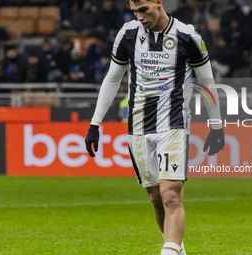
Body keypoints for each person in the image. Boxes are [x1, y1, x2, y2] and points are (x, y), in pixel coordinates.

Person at [85, 0, 225, 254]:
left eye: (144, 9)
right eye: (135, 11)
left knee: (171, 195)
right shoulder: (127, 34)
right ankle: (177, 249)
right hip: (138, 125)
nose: (139, 16)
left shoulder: (187, 36)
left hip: (173, 123)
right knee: (155, 198)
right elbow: (113, 79)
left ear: (158, 3)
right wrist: (95, 123)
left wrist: (216, 126)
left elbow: (206, 81)